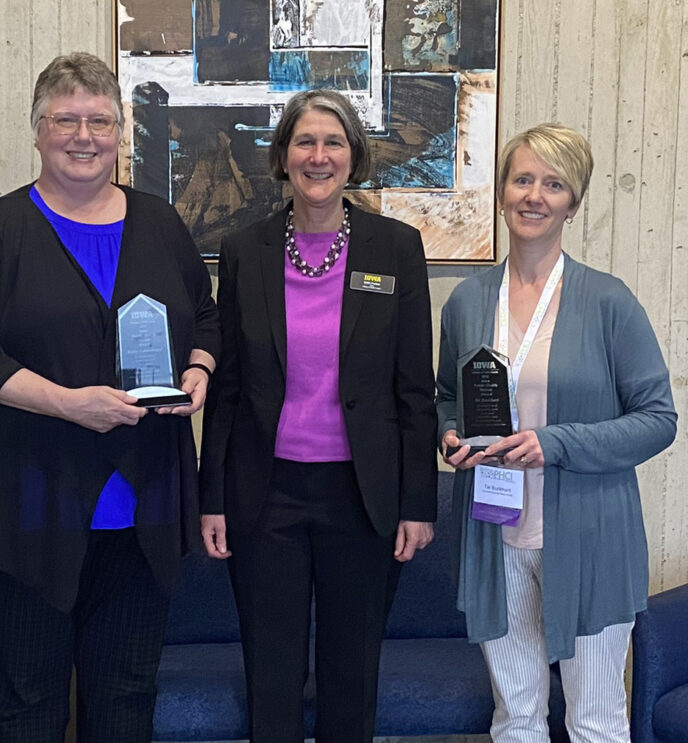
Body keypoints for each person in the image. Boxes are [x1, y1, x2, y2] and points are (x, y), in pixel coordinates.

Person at [0, 52, 219, 743]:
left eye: (99, 120)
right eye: (66, 119)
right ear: (37, 131)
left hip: (143, 506)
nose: (83, 135)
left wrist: (200, 372)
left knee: (124, 697)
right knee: (27, 699)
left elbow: (206, 317)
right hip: (30, 505)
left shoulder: (160, 223)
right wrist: (68, 404)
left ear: (120, 132)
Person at [198, 88, 438, 743]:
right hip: (264, 492)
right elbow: (229, 388)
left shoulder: (394, 249)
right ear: (283, 157)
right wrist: (211, 496)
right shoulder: (244, 250)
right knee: (271, 678)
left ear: (354, 157)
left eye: (333, 142)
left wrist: (418, 502)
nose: (319, 155)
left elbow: (415, 388)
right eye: (305, 141)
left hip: (362, 495)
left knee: (350, 676)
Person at [437, 123, 677, 742]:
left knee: (595, 721)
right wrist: (449, 435)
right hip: (495, 531)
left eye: (553, 184)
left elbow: (658, 420)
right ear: (502, 192)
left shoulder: (608, 301)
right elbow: (444, 397)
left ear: (573, 200)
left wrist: (556, 443)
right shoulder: (467, 301)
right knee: (515, 719)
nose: (534, 196)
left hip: (591, 535)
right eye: (522, 180)